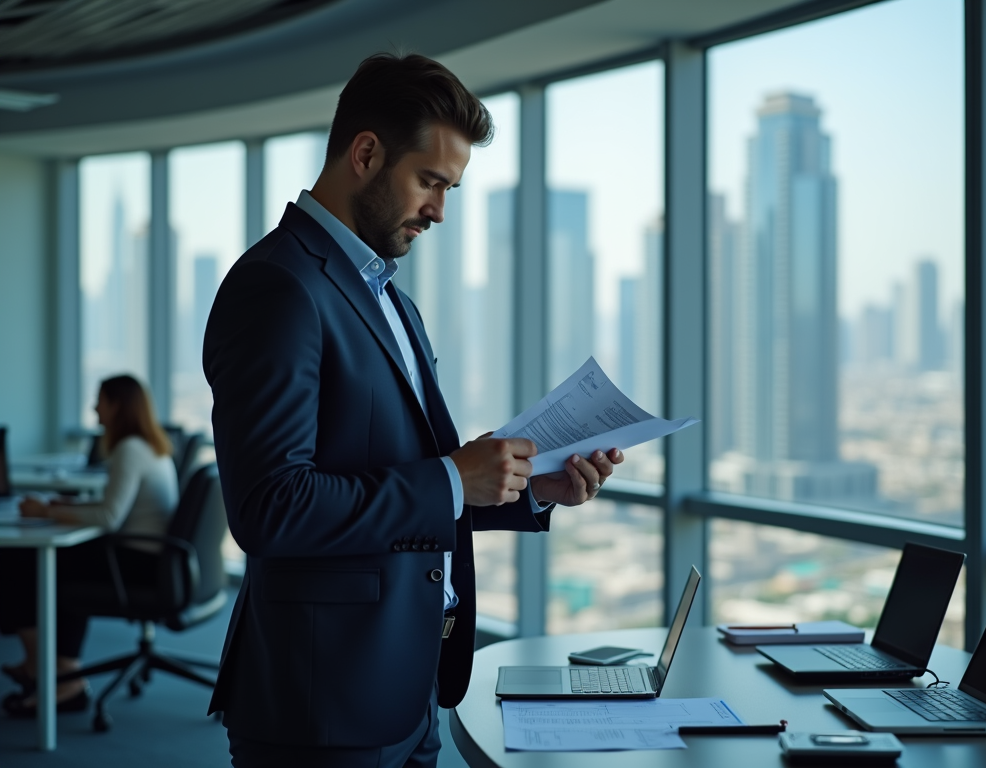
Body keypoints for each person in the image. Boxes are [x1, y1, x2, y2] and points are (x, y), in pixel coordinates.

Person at [203, 52, 624, 767]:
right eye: (429, 181)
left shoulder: (390, 297)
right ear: (366, 154)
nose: (439, 210)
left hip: (409, 684)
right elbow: (269, 507)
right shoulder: (278, 288)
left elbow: (406, 477)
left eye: (451, 187)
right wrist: (456, 479)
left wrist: (526, 485)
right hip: (323, 704)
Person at [0, 374, 179, 717]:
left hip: (134, 562)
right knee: (58, 560)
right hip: (153, 558)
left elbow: (109, 516)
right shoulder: (152, 447)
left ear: (117, 406)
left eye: (100, 400)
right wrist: (56, 508)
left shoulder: (130, 449)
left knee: (21, 560)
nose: (95, 407)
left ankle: (50, 673)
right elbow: (111, 508)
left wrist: (46, 511)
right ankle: (57, 667)